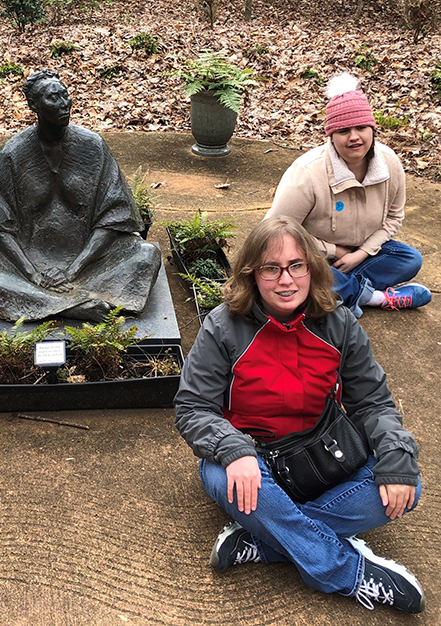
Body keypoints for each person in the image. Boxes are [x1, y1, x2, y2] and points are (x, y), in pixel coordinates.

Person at [174, 217, 424, 614]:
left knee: (403, 486)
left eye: (296, 265)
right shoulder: (221, 327)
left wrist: (396, 459)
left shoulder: (339, 323)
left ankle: (266, 540)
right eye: (271, 268)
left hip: (326, 457)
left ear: (312, 268)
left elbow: (372, 402)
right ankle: (350, 573)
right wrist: (234, 450)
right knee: (219, 475)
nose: (285, 280)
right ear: (252, 275)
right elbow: (192, 407)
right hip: (252, 463)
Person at [0, 70, 161, 322]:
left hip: (88, 261)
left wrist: (74, 271)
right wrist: (33, 275)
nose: (64, 104)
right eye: (54, 98)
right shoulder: (13, 152)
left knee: (147, 255)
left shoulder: (92, 146)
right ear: (34, 105)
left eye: (65, 95)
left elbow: (114, 216)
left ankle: (47, 302)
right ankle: (74, 307)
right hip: (26, 262)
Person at [265, 74, 430, 317]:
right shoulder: (307, 172)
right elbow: (274, 231)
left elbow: (393, 218)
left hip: (360, 253)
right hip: (310, 255)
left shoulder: (390, 164)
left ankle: (336, 292)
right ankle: (374, 297)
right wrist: (334, 252)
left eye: (361, 128)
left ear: (372, 129)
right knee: (292, 275)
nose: (354, 137)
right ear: (331, 136)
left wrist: (360, 254)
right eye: (343, 130)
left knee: (409, 259)